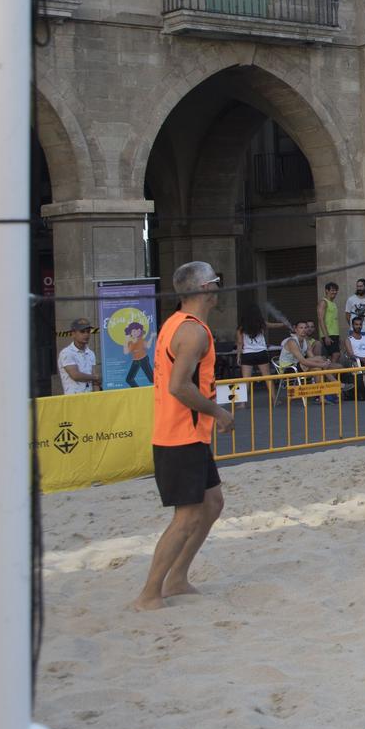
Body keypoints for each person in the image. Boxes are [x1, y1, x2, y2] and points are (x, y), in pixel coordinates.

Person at [132, 261, 236, 611]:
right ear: (205, 289)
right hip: (179, 435)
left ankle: (177, 579)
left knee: (213, 504)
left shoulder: (177, 323)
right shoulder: (192, 331)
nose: (219, 288)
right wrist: (218, 412)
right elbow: (179, 386)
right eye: (216, 282)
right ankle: (149, 593)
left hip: (188, 434)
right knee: (186, 516)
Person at [59, 318, 98, 395]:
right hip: (73, 399)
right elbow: (75, 375)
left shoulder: (91, 353)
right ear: (73, 334)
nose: (86, 335)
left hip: (89, 398)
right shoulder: (66, 353)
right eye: (82, 332)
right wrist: (95, 377)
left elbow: (95, 381)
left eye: (88, 332)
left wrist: (97, 397)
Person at [236, 307, 272, 382]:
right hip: (261, 352)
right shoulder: (262, 324)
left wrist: (238, 356)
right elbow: (274, 325)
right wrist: (285, 324)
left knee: (246, 380)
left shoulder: (241, 327)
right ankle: (273, 394)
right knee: (267, 378)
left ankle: (246, 394)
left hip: (247, 354)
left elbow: (240, 343)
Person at [121, 319, 153, 387]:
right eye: (134, 331)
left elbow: (148, 346)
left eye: (138, 330)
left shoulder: (141, 339)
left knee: (152, 379)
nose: (136, 332)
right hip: (135, 361)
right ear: (130, 332)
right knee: (129, 379)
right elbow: (126, 352)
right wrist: (126, 340)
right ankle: (138, 391)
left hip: (144, 359)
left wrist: (151, 337)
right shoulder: (130, 342)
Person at [319, 281, 343, 359]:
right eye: (332, 290)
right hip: (328, 334)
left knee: (335, 355)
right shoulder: (323, 302)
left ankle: (332, 370)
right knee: (336, 354)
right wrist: (326, 336)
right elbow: (321, 319)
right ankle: (331, 371)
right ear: (327, 290)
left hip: (334, 333)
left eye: (336, 290)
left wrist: (338, 336)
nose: (334, 292)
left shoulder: (333, 303)